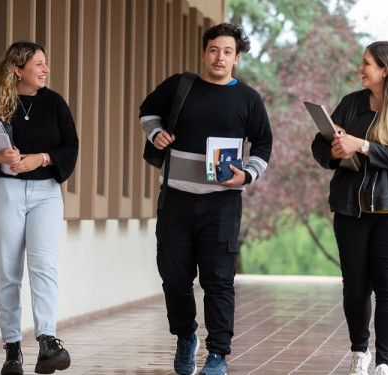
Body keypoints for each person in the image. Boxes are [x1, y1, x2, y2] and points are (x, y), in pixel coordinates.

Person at [139, 23, 272, 375]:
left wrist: (247, 174)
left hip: (222, 203)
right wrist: (156, 134)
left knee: (218, 280)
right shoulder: (180, 86)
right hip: (176, 199)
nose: (220, 57)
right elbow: (147, 110)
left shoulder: (248, 98)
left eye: (227, 52)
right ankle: (186, 336)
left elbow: (263, 145)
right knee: (175, 276)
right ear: (204, 52)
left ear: (237, 59)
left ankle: (218, 354)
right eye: (214, 49)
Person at [311, 41, 388, 375]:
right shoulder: (351, 103)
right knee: (356, 285)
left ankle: (384, 363)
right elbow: (320, 147)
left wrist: (360, 145)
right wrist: (335, 149)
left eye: (366, 64)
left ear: (385, 69)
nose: (360, 69)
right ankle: (359, 352)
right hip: (352, 208)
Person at [0, 41, 78, 375]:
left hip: (45, 194)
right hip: (5, 194)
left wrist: (40, 159)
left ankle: (48, 341)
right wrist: (1, 157)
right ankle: (12, 349)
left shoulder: (55, 103)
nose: (45, 69)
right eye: (39, 64)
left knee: (44, 267)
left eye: (45, 63)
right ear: (18, 70)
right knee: (8, 272)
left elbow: (70, 145)